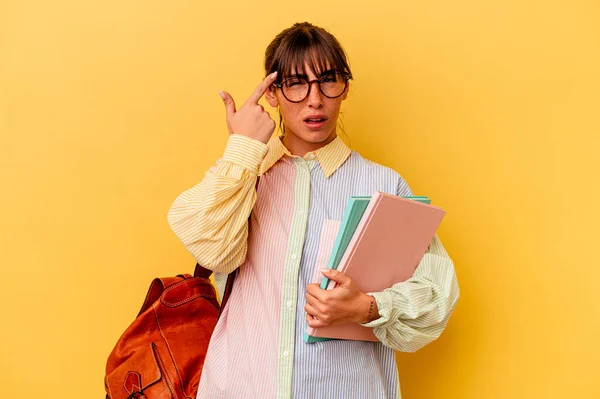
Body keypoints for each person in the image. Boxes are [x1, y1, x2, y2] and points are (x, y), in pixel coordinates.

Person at [167, 21, 459, 399]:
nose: (315, 99)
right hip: (242, 385)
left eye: (328, 81)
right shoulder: (243, 177)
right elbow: (206, 245)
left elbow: (438, 294)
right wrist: (242, 148)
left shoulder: (383, 187)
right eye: (295, 83)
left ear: (345, 88)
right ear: (272, 93)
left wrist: (367, 306)